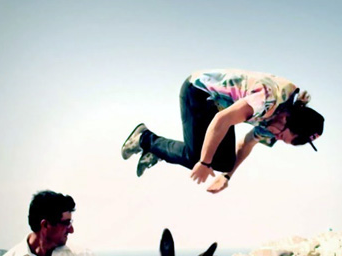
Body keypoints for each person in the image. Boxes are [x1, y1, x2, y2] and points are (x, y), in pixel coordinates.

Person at [120, 69, 325, 194]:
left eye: (281, 140)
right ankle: (144, 139)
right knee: (197, 159)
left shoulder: (276, 124)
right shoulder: (267, 99)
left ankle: (158, 151)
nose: (276, 137)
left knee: (225, 162)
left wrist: (227, 176)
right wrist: (204, 162)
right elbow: (222, 120)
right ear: (288, 118)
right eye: (281, 135)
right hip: (199, 92)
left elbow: (246, 143)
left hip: (219, 107)